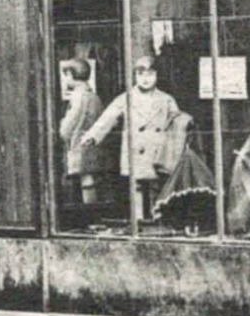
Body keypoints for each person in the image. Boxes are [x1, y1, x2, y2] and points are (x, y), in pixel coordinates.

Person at [78, 54, 191, 222]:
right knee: (136, 184)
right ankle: (137, 217)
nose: (145, 79)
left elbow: (177, 120)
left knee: (155, 184)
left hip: (157, 148)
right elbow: (108, 118)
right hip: (135, 146)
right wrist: (93, 136)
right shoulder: (126, 98)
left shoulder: (166, 99)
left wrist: (186, 123)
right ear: (134, 76)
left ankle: (156, 215)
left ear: (157, 76)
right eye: (140, 74)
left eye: (150, 74)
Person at [58, 58, 104, 205]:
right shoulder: (93, 95)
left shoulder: (78, 96)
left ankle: (89, 212)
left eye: (65, 75)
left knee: (85, 178)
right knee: (88, 177)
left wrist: (62, 130)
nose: (64, 79)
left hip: (79, 144)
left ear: (71, 75)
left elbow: (69, 124)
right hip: (91, 144)